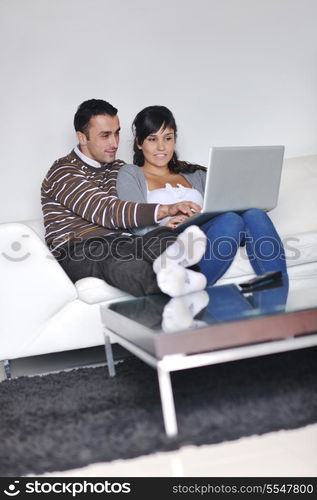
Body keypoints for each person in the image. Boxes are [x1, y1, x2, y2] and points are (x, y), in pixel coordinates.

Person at [41, 99, 209, 298]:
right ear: (82, 137)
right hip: (78, 248)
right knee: (121, 261)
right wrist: (165, 209)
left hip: (123, 241)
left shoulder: (118, 168)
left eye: (117, 133)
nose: (114, 143)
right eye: (105, 135)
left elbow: (139, 197)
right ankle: (175, 290)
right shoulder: (64, 171)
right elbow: (107, 210)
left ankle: (188, 278)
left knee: (166, 237)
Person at [116, 105, 289, 286]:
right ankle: (190, 287)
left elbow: (221, 204)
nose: (161, 146)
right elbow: (132, 219)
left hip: (209, 230)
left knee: (255, 214)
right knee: (231, 220)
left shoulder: (195, 173)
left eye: (168, 138)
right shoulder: (131, 173)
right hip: (171, 237)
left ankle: (278, 291)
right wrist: (164, 227)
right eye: (152, 139)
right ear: (139, 142)